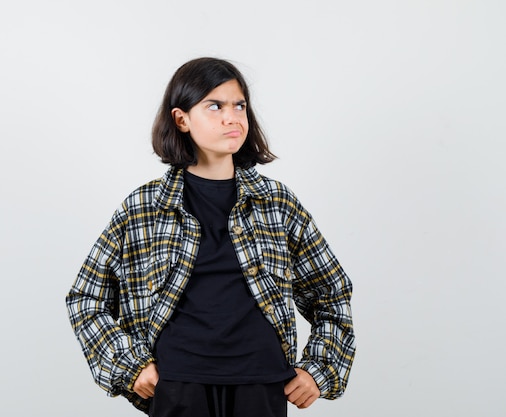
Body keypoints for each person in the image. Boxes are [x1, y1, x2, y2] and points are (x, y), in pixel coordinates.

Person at [66, 57, 356, 417]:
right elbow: (86, 297)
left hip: (261, 384)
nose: (232, 117)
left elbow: (331, 292)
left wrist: (320, 370)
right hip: (178, 385)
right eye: (214, 106)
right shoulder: (144, 206)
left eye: (239, 105)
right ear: (181, 119)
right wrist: (129, 365)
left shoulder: (277, 202)